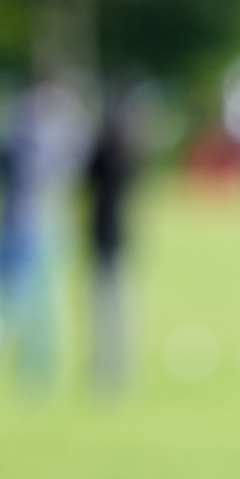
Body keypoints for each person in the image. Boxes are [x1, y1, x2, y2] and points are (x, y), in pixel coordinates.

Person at [0, 73, 88, 387]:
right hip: (18, 226)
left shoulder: (29, 128)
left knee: (30, 305)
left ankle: (31, 367)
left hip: (37, 227)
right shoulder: (27, 128)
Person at [85, 81, 148, 394]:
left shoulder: (105, 152)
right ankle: (116, 366)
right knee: (118, 305)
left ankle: (110, 367)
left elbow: (86, 176)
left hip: (105, 236)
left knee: (108, 306)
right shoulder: (129, 152)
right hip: (120, 237)